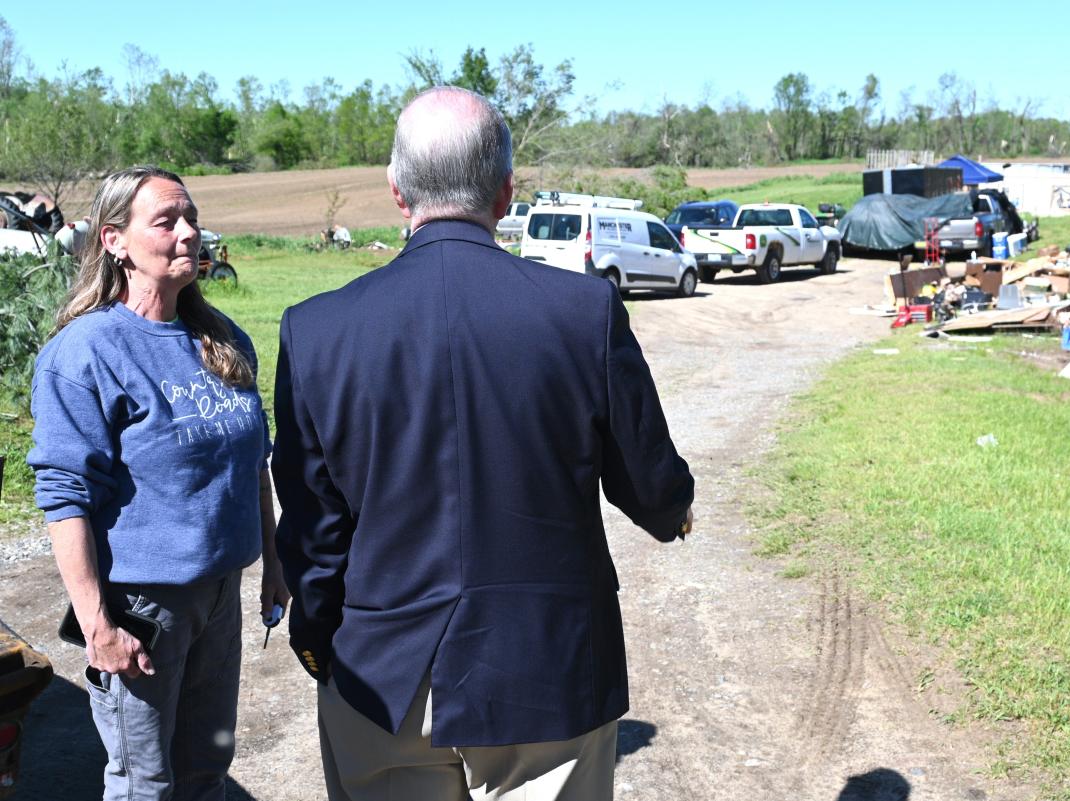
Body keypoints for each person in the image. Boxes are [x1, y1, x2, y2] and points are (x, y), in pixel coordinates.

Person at [272, 86, 695, 801]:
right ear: (505, 192)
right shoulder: (582, 311)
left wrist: (320, 643)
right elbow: (653, 486)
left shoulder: (316, 330)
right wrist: (673, 508)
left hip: (382, 676)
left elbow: (313, 533)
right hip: (546, 670)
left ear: (397, 194)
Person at [26, 165, 291, 801]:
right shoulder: (87, 352)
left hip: (220, 596)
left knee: (206, 769)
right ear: (114, 240)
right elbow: (66, 499)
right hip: (142, 607)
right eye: (166, 221)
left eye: (191, 219)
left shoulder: (222, 340)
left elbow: (255, 466)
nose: (188, 234)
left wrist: (274, 565)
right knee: (146, 781)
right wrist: (98, 626)